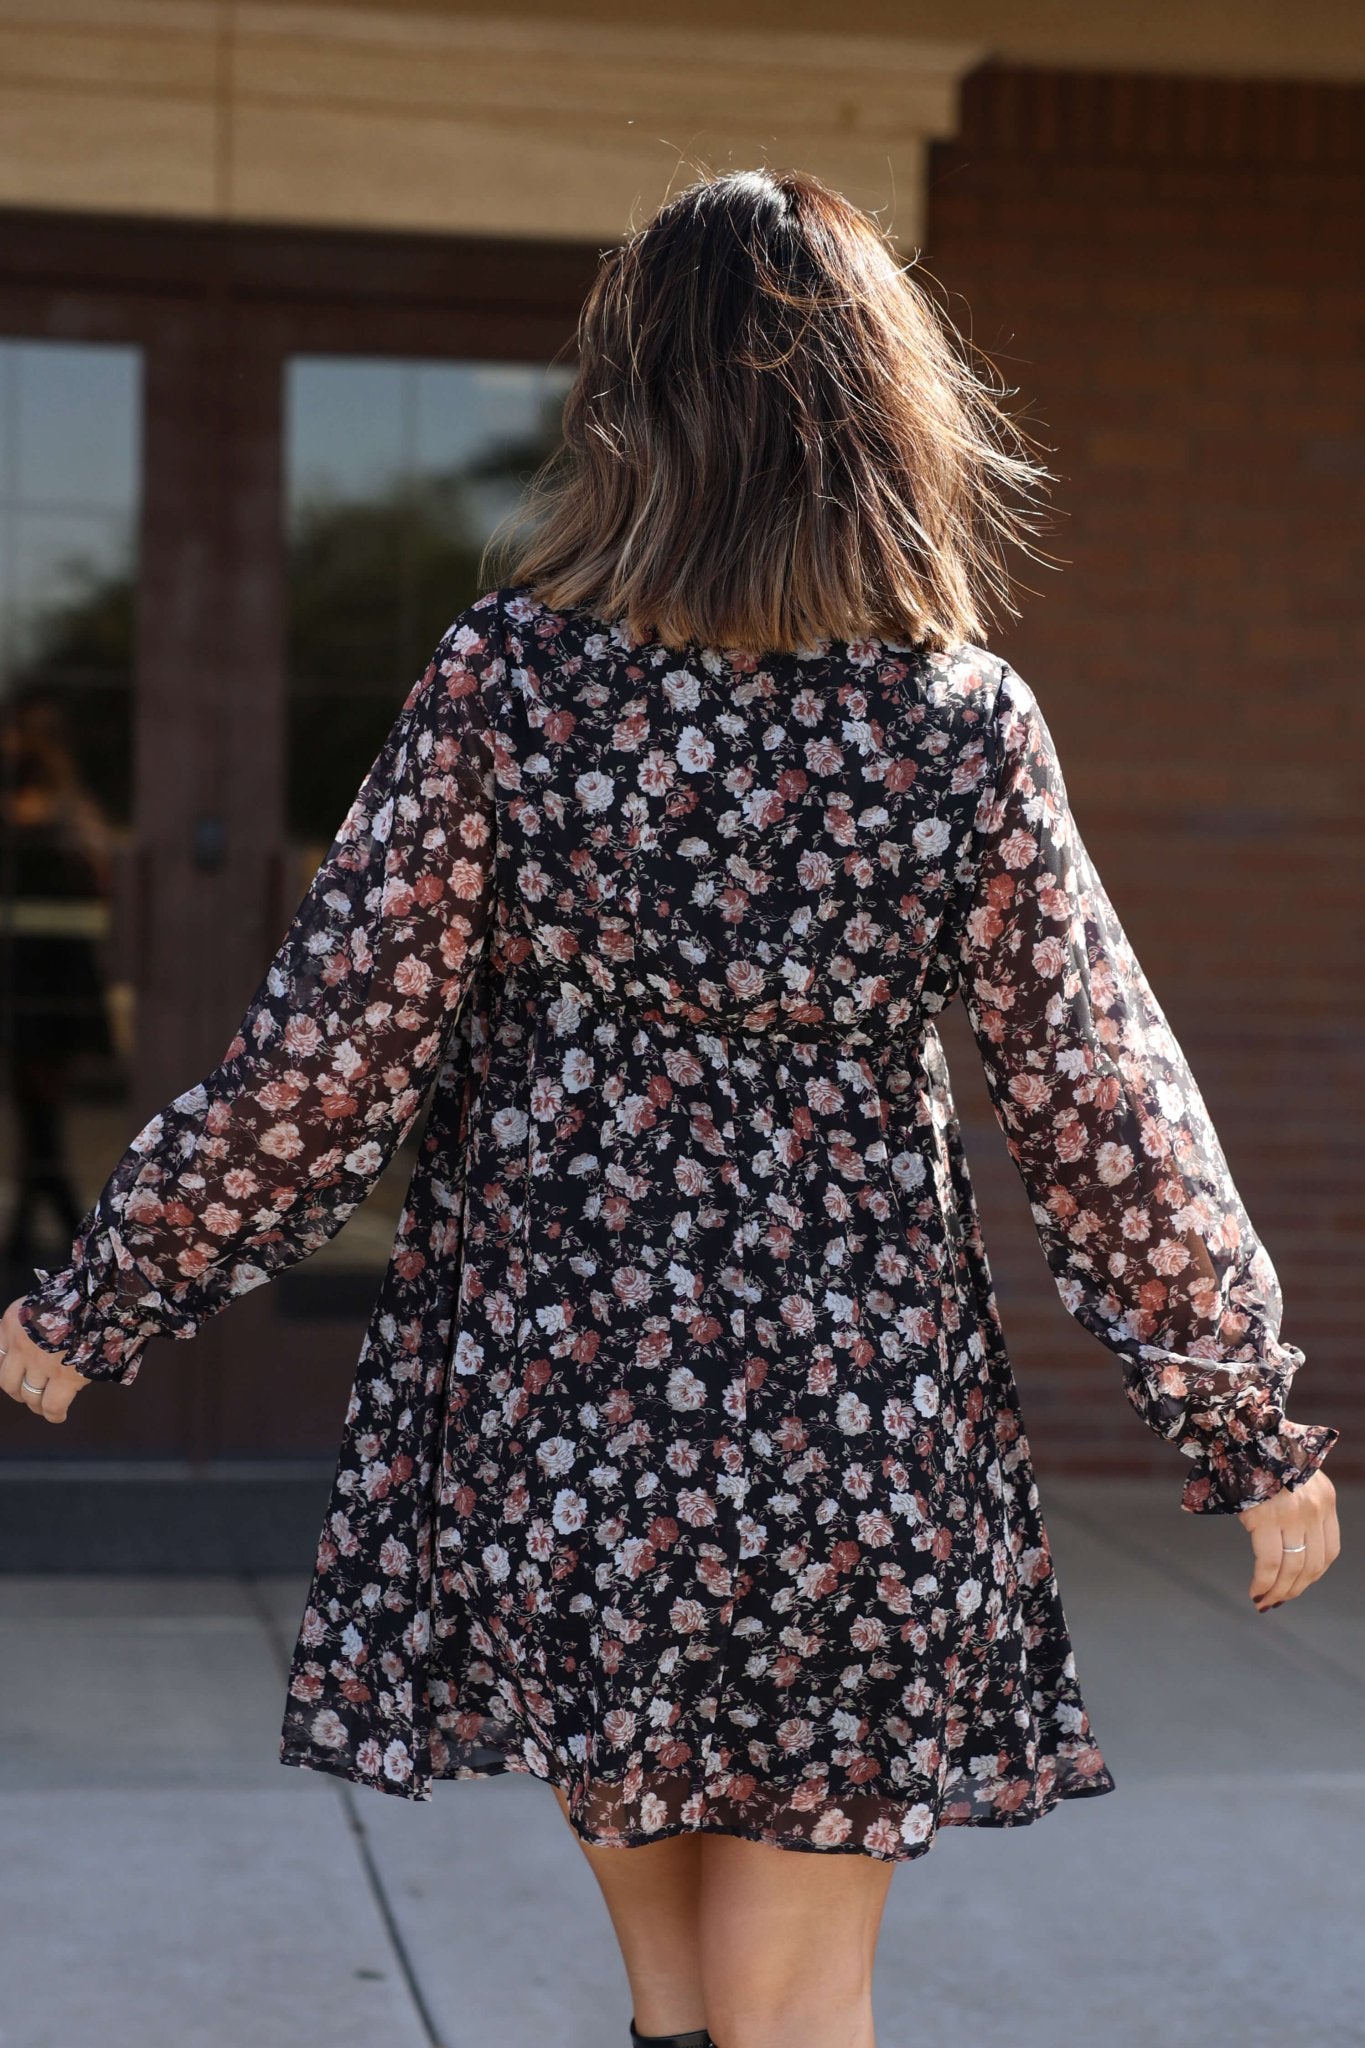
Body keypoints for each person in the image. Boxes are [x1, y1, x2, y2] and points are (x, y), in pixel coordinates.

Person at [1, 167, 1340, 2048]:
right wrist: (1238, 1422)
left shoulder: (508, 687)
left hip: (567, 1426)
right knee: (794, 2002)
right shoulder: (956, 724)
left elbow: (328, 1061)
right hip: (854, 1436)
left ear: (632, 407)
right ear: (878, 413)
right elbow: (1098, 1097)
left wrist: (98, 1299)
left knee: (679, 1997)